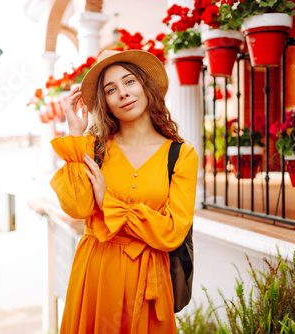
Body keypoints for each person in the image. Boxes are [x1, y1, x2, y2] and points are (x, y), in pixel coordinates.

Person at [50, 49, 198, 333]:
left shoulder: (181, 155)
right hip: (97, 271)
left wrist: (108, 202)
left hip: (149, 279)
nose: (123, 93)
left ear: (145, 85)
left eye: (129, 82)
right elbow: (78, 208)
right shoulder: (94, 147)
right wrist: (77, 135)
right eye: (111, 89)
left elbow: (172, 231)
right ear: (105, 102)